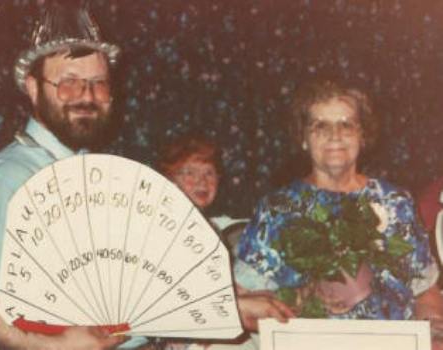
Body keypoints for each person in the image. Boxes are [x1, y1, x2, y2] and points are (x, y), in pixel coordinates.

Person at [0, 3, 128, 349]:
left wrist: (229, 307)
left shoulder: (100, 175)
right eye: (69, 83)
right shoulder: (8, 178)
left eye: (98, 83)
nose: (87, 96)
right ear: (33, 89)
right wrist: (56, 346)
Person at [234, 79, 443, 349]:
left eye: (346, 124)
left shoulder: (396, 202)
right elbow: (243, 302)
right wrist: (301, 296)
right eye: (320, 125)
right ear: (303, 138)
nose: (335, 135)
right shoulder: (277, 209)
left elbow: (423, 292)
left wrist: (435, 329)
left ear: (362, 135)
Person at [157, 134, 293, 349]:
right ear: (168, 179)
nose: (202, 181)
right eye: (189, 172)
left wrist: (252, 294)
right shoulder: (159, 226)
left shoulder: (211, 229)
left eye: (209, 173)